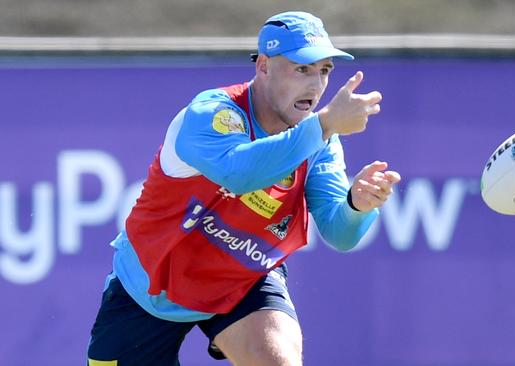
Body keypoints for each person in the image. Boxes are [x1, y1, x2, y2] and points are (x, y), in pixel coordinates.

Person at [87, 10, 400, 366]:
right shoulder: (213, 112)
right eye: (302, 69)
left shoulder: (321, 139)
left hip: (244, 278)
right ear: (264, 66)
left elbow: (340, 233)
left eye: (324, 71)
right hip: (149, 287)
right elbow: (240, 172)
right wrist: (325, 124)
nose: (315, 86)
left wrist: (358, 205)